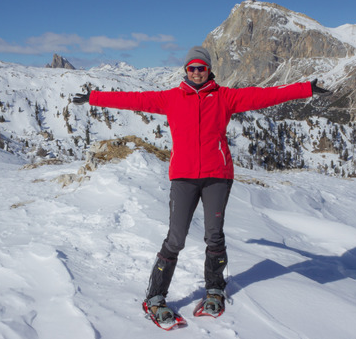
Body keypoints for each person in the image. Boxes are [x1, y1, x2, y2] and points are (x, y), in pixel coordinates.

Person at [72, 46, 331, 322]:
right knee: (176, 238)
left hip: (217, 176)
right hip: (183, 176)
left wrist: (305, 89)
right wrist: (94, 98)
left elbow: (263, 96)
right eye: (192, 68)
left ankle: (215, 289)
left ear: (209, 70)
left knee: (214, 236)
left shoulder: (225, 97)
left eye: (201, 68)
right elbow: (136, 100)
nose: (196, 73)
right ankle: (155, 296)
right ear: (186, 70)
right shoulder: (171, 98)